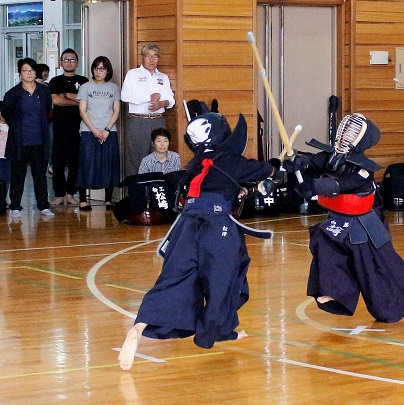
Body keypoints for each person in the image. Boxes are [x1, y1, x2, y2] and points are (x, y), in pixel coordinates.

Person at [118, 112, 279, 370]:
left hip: (185, 227)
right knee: (223, 281)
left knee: (174, 279)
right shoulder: (231, 161)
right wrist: (278, 165)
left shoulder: (196, 162)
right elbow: (265, 170)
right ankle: (214, 331)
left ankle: (139, 327)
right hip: (217, 226)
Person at [281, 113, 404, 323]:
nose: (347, 135)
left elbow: (340, 186)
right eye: (345, 130)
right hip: (340, 219)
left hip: (364, 223)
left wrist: (313, 187)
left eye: (353, 133)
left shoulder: (364, 168)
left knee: (380, 263)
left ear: (361, 140)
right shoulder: (332, 157)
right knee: (324, 243)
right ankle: (334, 291)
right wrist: (298, 160)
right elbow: (313, 160)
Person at [1, 58, 54, 218]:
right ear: (20, 73)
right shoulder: (13, 93)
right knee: (18, 175)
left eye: (31, 70)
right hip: (20, 141)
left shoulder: (44, 91)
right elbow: (5, 114)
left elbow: (47, 110)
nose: (29, 73)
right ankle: (15, 206)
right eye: (25, 70)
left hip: (39, 140)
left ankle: (44, 206)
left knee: (40, 175)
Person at [121, 44, 175, 177]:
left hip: (158, 120)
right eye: (148, 56)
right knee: (136, 159)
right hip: (138, 120)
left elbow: (171, 100)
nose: (152, 60)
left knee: (159, 156)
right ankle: (136, 195)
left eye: (155, 56)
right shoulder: (133, 74)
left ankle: (155, 194)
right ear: (142, 58)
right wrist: (148, 98)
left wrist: (162, 103)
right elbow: (125, 96)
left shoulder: (163, 77)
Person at [76, 56, 121, 211]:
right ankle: (83, 200)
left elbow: (116, 111)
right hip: (89, 131)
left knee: (109, 163)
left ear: (107, 70)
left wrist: (107, 130)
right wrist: (95, 130)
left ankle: (108, 199)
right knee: (86, 163)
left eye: (102, 68)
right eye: (96, 68)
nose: (98, 71)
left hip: (109, 131)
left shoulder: (114, 88)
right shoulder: (85, 87)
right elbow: (82, 111)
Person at [48, 48, 89, 206]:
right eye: (66, 59)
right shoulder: (55, 81)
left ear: (77, 63)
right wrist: (78, 102)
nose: (69, 62)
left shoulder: (84, 81)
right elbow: (56, 101)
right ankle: (59, 194)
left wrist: (67, 96)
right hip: (59, 128)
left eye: (72, 59)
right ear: (60, 63)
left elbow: (89, 102)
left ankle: (71, 193)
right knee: (58, 163)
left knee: (75, 162)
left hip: (80, 127)